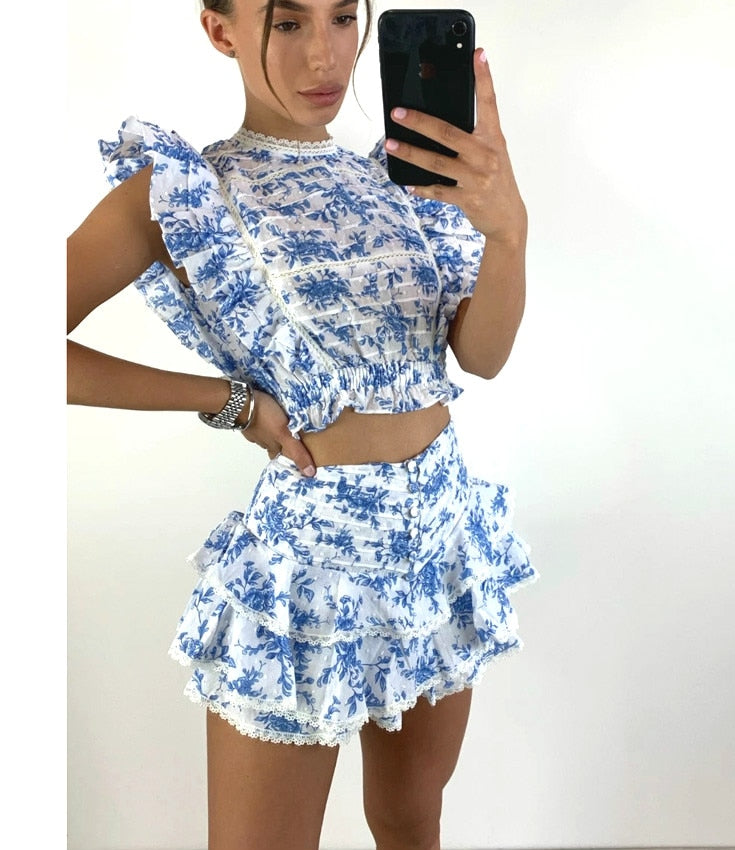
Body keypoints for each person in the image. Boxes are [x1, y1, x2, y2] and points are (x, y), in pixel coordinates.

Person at [67, 1, 537, 847]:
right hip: (306, 574)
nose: (326, 55)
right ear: (221, 30)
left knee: (411, 821)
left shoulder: (402, 179)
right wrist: (226, 399)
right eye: (287, 23)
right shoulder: (186, 193)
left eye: (343, 17)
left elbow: (484, 355)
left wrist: (508, 234)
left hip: (439, 540)